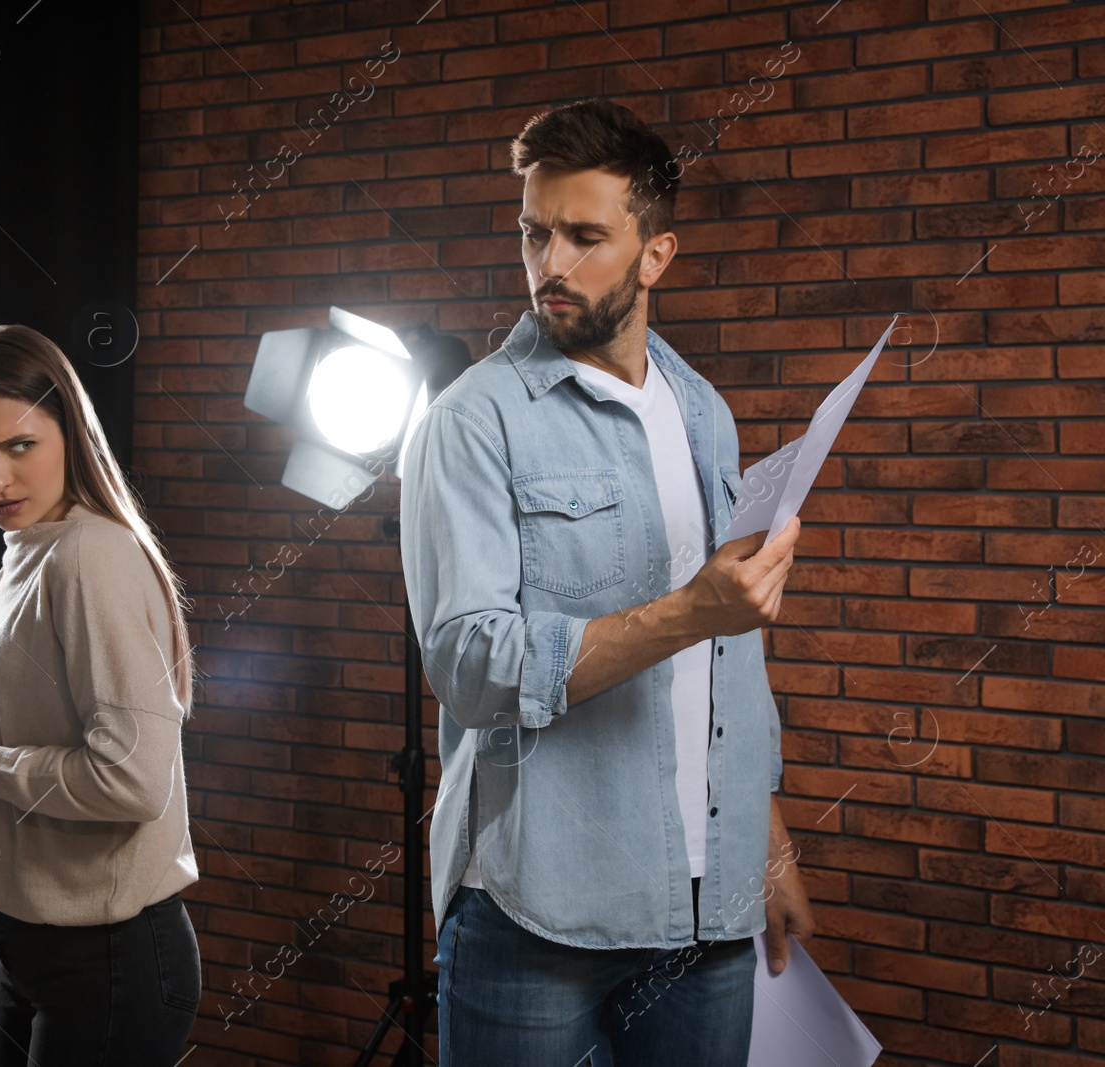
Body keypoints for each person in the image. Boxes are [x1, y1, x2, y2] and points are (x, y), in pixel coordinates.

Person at [399, 99, 817, 1066]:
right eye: (534, 233)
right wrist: (685, 613)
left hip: (707, 913)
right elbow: (467, 663)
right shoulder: (471, 422)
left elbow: (730, 657)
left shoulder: (703, 411)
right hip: (536, 914)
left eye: (585, 236)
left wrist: (770, 840)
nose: (551, 263)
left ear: (656, 253)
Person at [0, 323, 201, 1066]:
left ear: (70, 432)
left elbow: (131, 778)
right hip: (28, 947)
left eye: (19, 446)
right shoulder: (32, 550)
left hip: (109, 956)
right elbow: (33, 725)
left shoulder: (88, 555)